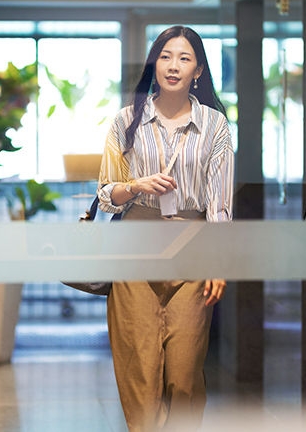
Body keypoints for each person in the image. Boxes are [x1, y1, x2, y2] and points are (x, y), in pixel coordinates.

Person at [97, 25, 234, 431]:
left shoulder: (215, 126)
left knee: (185, 373)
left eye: (185, 58)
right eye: (166, 56)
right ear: (154, 63)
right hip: (135, 253)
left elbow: (221, 205)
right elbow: (105, 193)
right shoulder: (126, 121)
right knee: (139, 373)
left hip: (192, 255)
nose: (174, 66)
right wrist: (135, 185)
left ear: (199, 71)